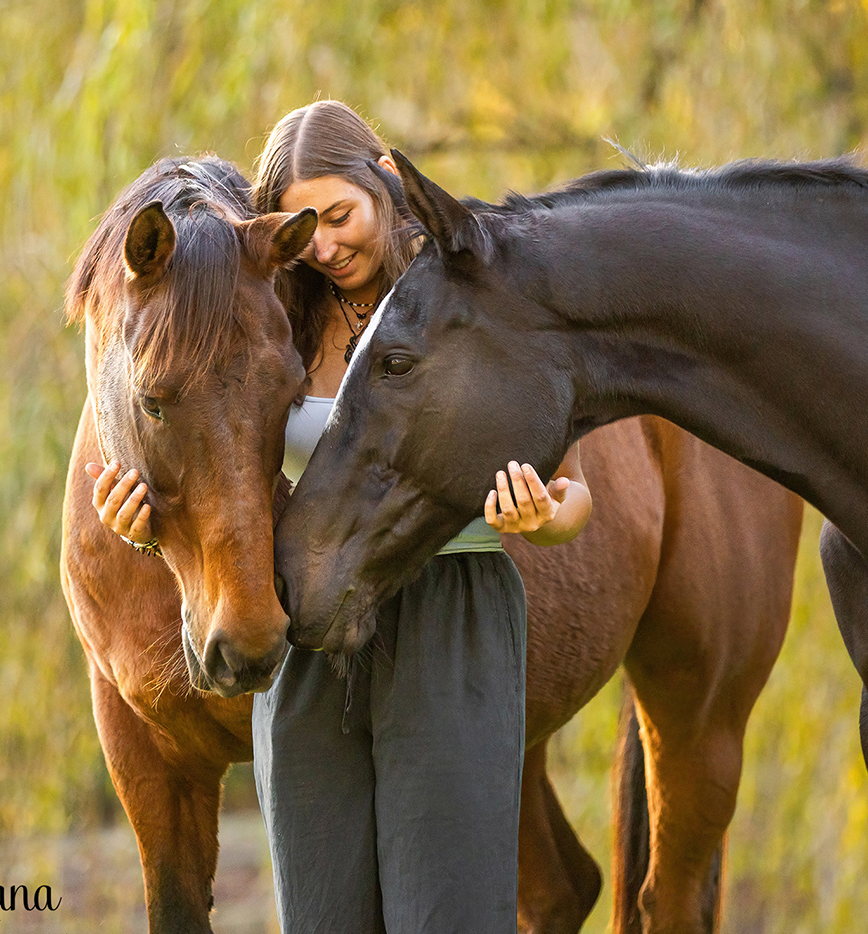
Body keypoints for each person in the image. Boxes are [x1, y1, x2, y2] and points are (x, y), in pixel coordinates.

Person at [86, 100, 592, 933]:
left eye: (339, 216)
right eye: (303, 225)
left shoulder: (470, 297)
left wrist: (539, 517)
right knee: (324, 916)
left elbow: (574, 498)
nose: (324, 243)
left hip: (448, 618)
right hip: (315, 633)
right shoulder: (279, 311)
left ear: (385, 183)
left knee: (449, 915)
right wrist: (145, 520)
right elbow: (219, 454)